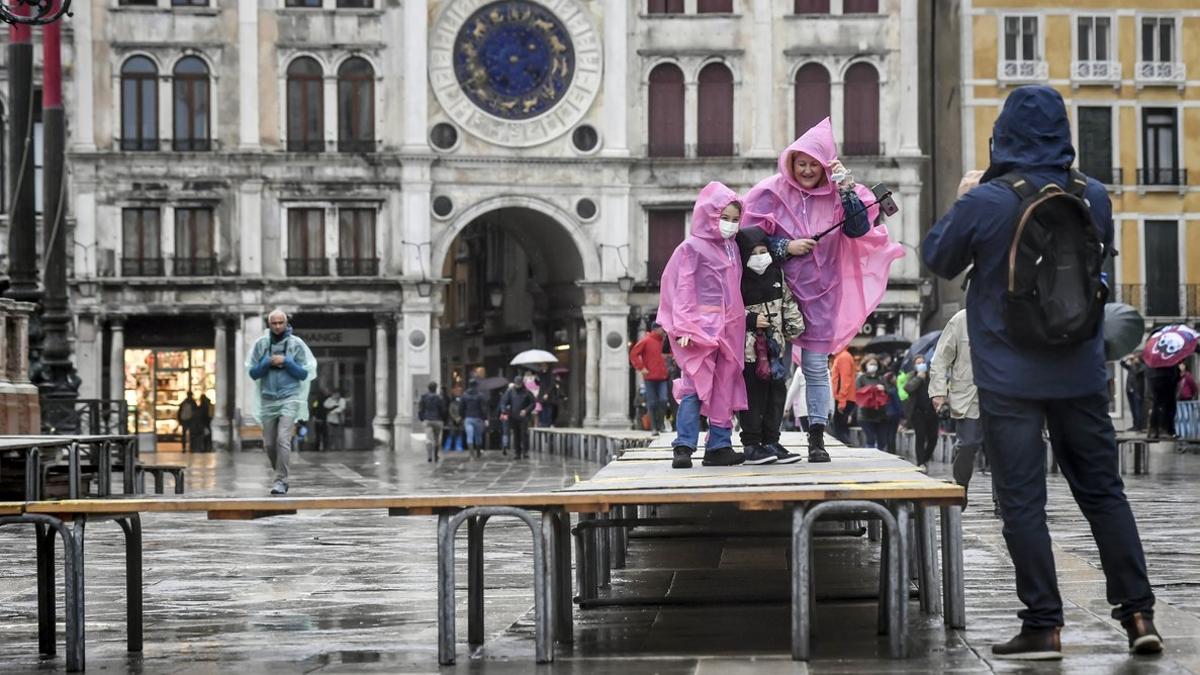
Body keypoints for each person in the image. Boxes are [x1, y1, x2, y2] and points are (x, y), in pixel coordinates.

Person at [923, 85, 1160, 659]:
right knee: (1104, 493)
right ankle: (1138, 617)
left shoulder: (989, 199)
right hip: (1079, 371)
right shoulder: (1093, 194)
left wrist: (970, 202)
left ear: (1003, 134)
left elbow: (938, 257)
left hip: (1007, 377)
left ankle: (1044, 625)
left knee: (1023, 502)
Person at [743, 117, 903, 462]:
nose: (806, 170)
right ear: (790, 162)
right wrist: (786, 247)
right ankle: (766, 438)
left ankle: (817, 437)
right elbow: (751, 238)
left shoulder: (840, 194)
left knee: (815, 368)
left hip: (823, 294)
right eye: (800, 163)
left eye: (814, 164)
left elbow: (859, 228)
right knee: (771, 369)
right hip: (778, 294)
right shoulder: (771, 192)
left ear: (825, 165)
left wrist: (846, 190)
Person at [657, 182, 749, 469]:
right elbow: (682, 288)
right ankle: (683, 446)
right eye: (725, 218)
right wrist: (683, 328)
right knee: (694, 386)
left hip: (729, 328)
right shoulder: (691, 248)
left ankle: (719, 446)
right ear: (710, 215)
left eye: (735, 220)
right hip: (699, 328)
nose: (731, 225)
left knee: (724, 386)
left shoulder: (732, 248)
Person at [734, 226, 805, 464]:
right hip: (748, 351)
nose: (759, 256)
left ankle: (771, 441)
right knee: (753, 397)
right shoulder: (736, 278)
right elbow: (728, 310)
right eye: (753, 252)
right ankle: (752, 444)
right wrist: (751, 319)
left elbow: (786, 299)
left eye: (763, 251)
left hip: (776, 349)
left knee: (776, 395)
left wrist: (795, 326)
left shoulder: (776, 273)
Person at [246, 309, 317, 495]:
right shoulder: (261, 344)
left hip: (290, 397)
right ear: (269, 325)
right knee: (269, 444)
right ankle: (280, 475)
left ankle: (280, 480)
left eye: (281, 323)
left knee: (282, 439)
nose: (277, 326)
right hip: (268, 398)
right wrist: (267, 363)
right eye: (274, 323)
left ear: (286, 323)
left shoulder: (296, 344)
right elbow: (253, 373)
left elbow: (304, 373)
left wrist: (287, 361)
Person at [927, 309, 990, 496]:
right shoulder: (960, 319)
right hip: (968, 396)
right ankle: (961, 486)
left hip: (1001, 393)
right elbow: (940, 359)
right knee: (967, 445)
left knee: (1001, 450)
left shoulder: (1009, 313)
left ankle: (1002, 502)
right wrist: (938, 392)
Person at [630, 323, 670, 432]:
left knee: (663, 400)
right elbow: (633, 354)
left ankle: (661, 424)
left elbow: (671, 354)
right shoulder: (646, 340)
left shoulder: (665, 340)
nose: (664, 330)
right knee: (652, 402)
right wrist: (641, 367)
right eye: (663, 328)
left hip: (663, 376)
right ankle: (653, 427)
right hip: (650, 377)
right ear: (656, 329)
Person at [903, 354, 938, 471]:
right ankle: (920, 462)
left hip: (932, 411)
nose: (921, 365)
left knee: (933, 438)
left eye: (923, 362)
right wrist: (919, 378)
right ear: (914, 366)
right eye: (918, 363)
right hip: (918, 412)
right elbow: (907, 388)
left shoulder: (932, 376)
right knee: (920, 437)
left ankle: (926, 458)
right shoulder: (911, 376)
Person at [854, 355, 889, 449]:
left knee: (882, 441)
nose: (873, 366)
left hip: (880, 414)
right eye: (871, 364)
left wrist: (883, 389)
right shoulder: (861, 378)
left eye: (875, 364)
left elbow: (888, 393)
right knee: (870, 439)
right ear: (865, 365)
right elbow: (857, 393)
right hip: (865, 414)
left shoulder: (881, 378)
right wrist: (869, 389)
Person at [500, 375, 536, 459]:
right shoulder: (510, 391)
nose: (517, 386)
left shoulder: (527, 392)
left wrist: (526, 410)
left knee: (524, 434)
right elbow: (504, 402)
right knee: (516, 434)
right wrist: (504, 411)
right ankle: (517, 452)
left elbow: (533, 403)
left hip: (524, 416)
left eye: (519, 384)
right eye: (516, 384)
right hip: (514, 416)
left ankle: (525, 451)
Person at [830, 348, 857, 444]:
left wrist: (841, 401)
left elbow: (845, 380)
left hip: (843, 399)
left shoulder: (843, 357)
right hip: (843, 398)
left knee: (840, 431)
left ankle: (850, 451)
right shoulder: (841, 356)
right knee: (841, 430)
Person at [417, 382, 447, 462]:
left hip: (427, 420)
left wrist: (422, 418)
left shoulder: (424, 397)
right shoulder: (439, 398)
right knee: (437, 439)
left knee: (428, 439)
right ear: (436, 388)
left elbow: (420, 409)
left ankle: (429, 456)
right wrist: (443, 419)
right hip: (438, 420)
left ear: (428, 388)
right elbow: (443, 410)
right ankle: (436, 455)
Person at [460, 380, 488, 459]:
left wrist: (463, 417)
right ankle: (478, 453)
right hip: (478, 418)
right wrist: (485, 418)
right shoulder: (480, 395)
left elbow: (461, 408)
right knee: (478, 436)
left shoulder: (464, 395)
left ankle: (471, 455)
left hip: (468, 418)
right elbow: (484, 408)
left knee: (469, 436)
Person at [1120, 355, 1147, 432]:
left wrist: (1135, 363)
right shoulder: (1132, 366)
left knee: (1137, 409)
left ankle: (1138, 426)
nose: (1133, 359)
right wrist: (1127, 358)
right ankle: (1134, 425)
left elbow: (1136, 373)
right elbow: (1122, 364)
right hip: (1129, 390)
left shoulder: (1143, 367)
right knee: (1132, 409)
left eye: (1135, 358)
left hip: (1137, 391)